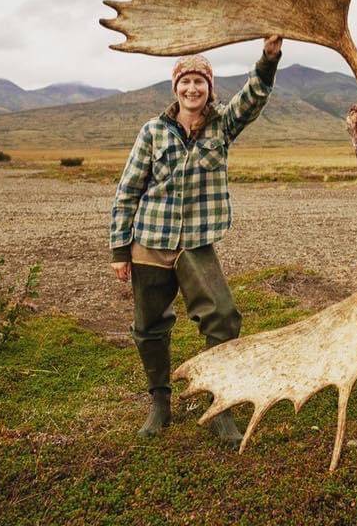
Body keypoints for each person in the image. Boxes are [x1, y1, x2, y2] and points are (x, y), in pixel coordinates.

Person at [110, 36, 283, 442]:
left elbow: (254, 95)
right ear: (176, 88)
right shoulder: (153, 132)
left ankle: (218, 404)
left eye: (199, 83)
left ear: (209, 89)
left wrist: (269, 57)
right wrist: (120, 250)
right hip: (150, 240)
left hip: (196, 242)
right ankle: (160, 403)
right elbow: (128, 190)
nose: (192, 89)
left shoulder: (223, 124)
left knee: (222, 316)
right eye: (185, 82)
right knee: (149, 325)